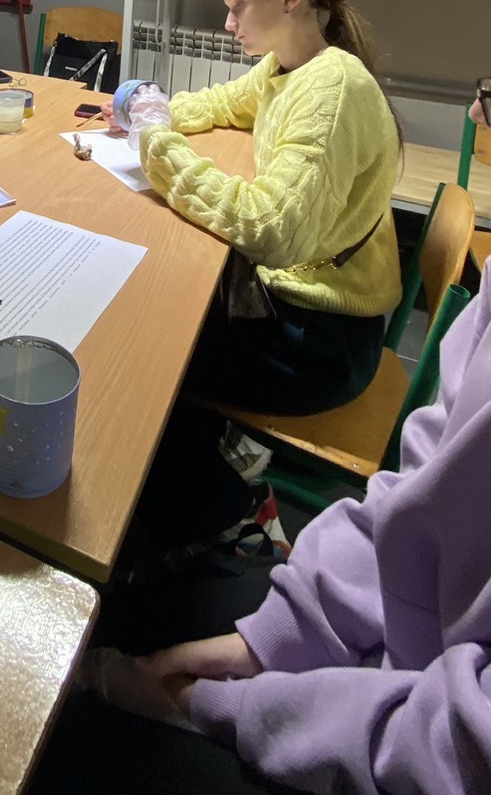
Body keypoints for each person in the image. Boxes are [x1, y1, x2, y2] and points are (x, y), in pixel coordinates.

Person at [30, 254, 491, 795]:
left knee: (62, 742)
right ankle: (224, 512)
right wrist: (278, 639)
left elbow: (457, 756)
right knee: (100, 631)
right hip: (403, 665)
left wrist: (229, 707)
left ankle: (227, 513)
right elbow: (427, 484)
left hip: (326, 341)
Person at [135, 0, 403, 417]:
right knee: (165, 308)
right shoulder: (287, 65)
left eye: (238, 7)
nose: (228, 23)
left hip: (321, 341)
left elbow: (269, 230)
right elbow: (226, 103)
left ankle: (212, 455)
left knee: (147, 347)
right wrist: (160, 111)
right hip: (298, 299)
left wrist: (158, 143)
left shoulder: (331, 92)